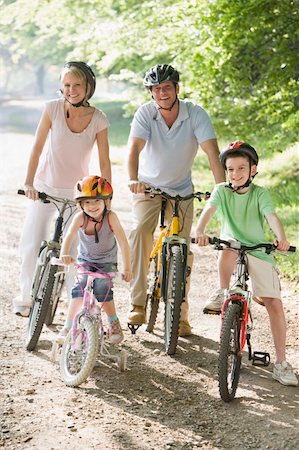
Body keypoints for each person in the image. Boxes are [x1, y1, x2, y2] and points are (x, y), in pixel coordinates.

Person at [127, 63, 225, 335]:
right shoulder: (146, 114)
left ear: (177, 89)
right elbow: (134, 148)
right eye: (156, 89)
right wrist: (133, 179)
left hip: (181, 190)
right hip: (148, 188)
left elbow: (211, 153)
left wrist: (222, 191)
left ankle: (180, 316)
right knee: (140, 232)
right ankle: (137, 302)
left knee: (182, 248)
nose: (162, 93)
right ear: (151, 92)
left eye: (166, 88)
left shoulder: (195, 114)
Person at [195, 140, 298, 386]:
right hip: (232, 246)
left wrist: (281, 238)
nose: (235, 174)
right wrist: (199, 231)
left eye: (242, 168)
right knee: (228, 244)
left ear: (253, 169)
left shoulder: (259, 193)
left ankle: (281, 363)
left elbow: (271, 216)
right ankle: (222, 292)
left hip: (258, 250)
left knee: (273, 302)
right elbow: (209, 210)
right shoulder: (221, 190)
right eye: (230, 169)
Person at [13, 61, 111, 317]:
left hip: (78, 195)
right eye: (66, 85)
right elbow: (36, 148)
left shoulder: (98, 118)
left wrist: (105, 196)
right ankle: (25, 297)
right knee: (31, 243)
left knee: (74, 252)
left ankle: (74, 307)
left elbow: (104, 161)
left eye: (77, 84)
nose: (71, 89)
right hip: (45, 189)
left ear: (88, 86)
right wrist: (29, 182)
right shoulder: (52, 109)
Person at [55, 175, 133, 344]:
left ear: (106, 201)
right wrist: (64, 254)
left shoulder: (111, 217)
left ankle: (113, 322)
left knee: (102, 286)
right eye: (87, 202)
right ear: (80, 204)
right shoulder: (80, 218)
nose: (92, 206)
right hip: (85, 261)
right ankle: (68, 326)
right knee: (79, 287)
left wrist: (127, 268)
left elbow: (124, 244)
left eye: (97, 201)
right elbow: (69, 236)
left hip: (107, 263)